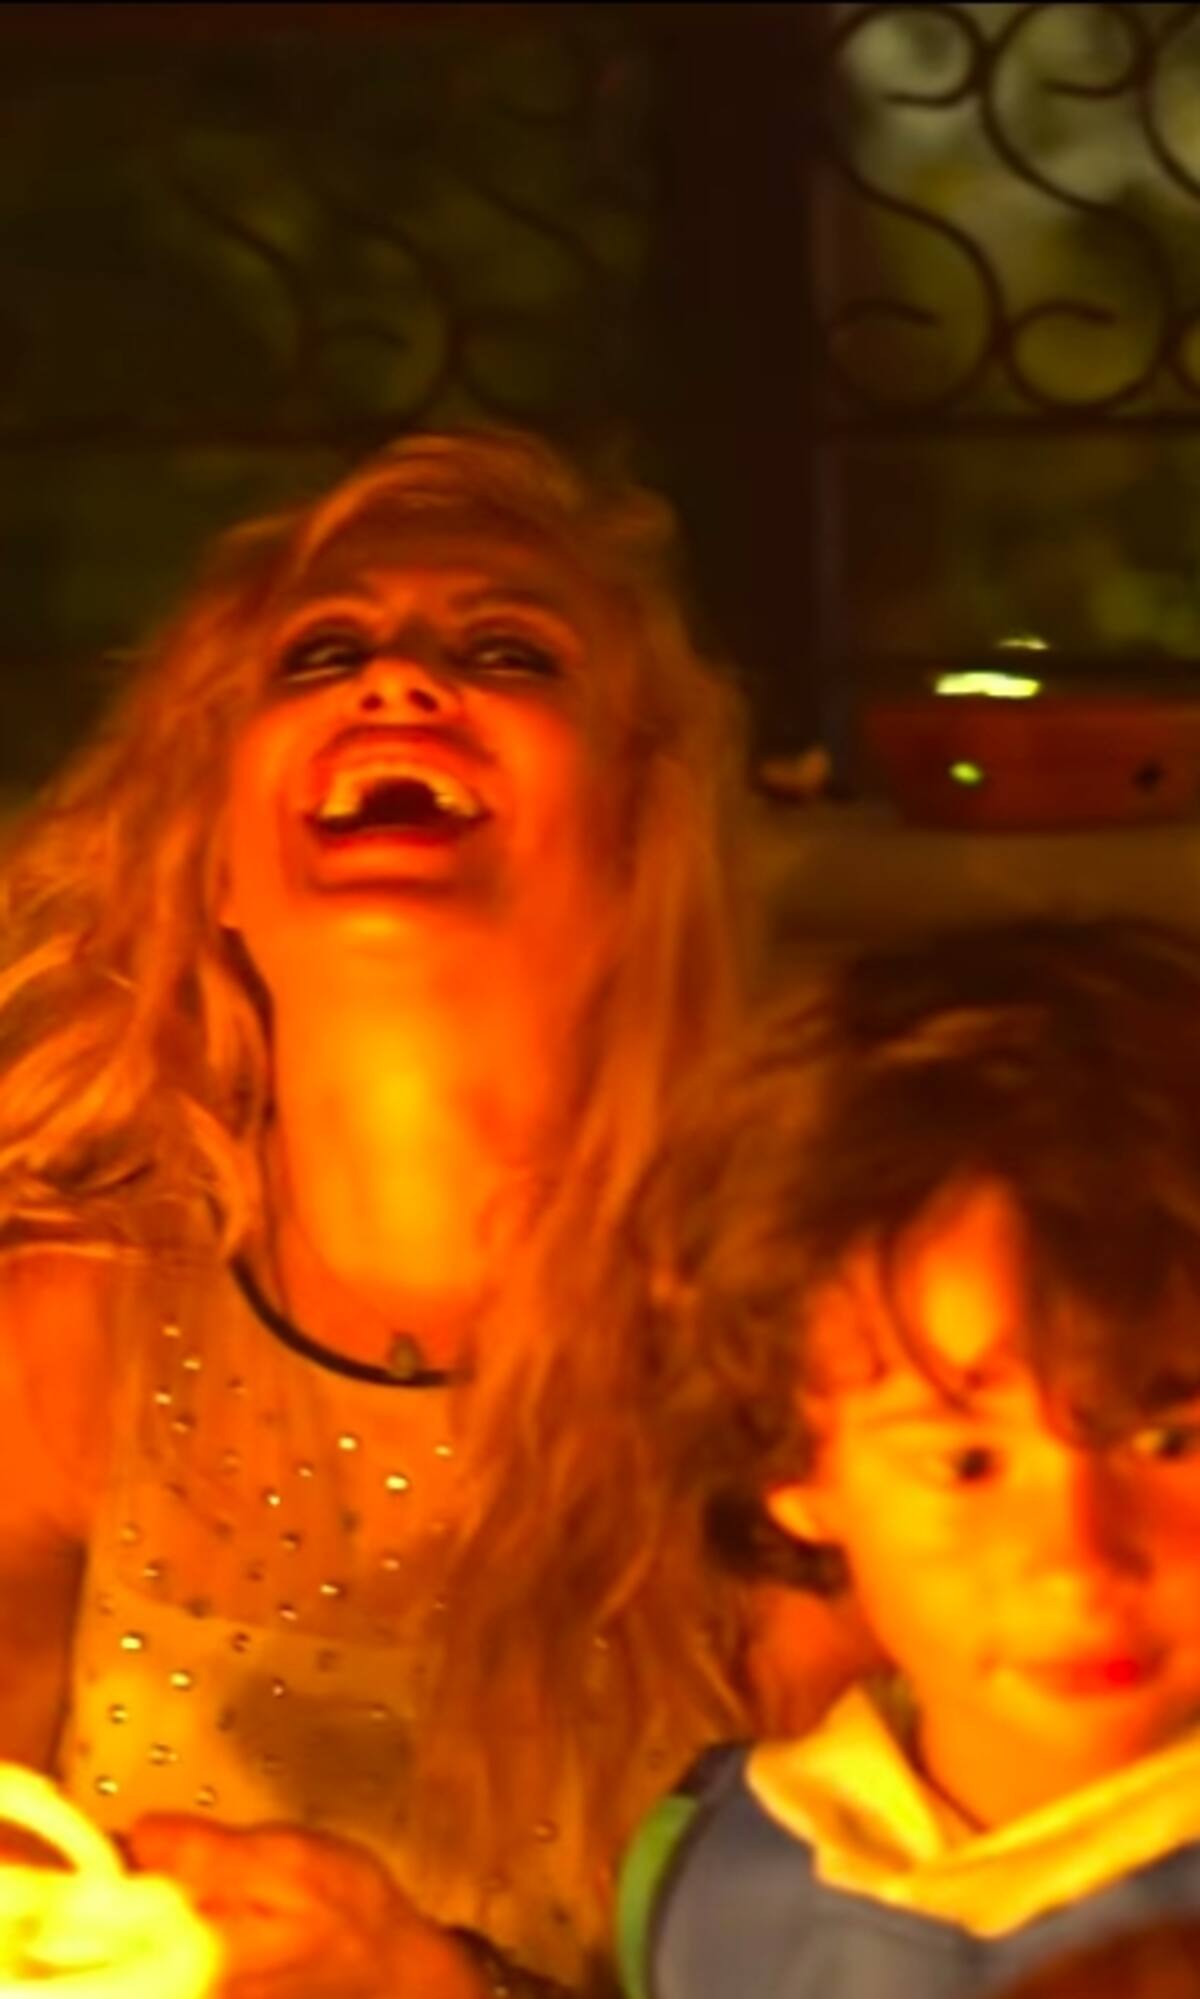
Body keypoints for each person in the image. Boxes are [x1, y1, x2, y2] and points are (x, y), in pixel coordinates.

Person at [0, 428, 760, 1998]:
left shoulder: (793, 1355)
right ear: (214, 854)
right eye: (325, 650)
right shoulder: (64, 1343)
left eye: (508, 650)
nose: (399, 679)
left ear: (638, 839)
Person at [617, 918, 1200, 1999]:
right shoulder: (728, 1874)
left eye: (1168, 1442)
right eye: (968, 1461)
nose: (1077, 1560)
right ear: (793, 1459)